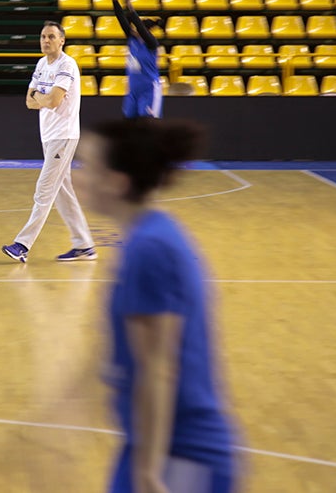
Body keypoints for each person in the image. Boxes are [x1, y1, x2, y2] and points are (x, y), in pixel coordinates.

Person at [75, 118, 236, 493]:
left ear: (117, 182)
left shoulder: (150, 249)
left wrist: (150, 474)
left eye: (88, 168)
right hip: (147, 444)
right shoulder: (144, 238)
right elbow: (130, 346)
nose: (78, 177)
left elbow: (159, 368)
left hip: (181, 455)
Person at [1, 21, 96, 263]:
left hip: (63, 135)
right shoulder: (42, 64)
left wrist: (40, 97)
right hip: (49, 136)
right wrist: (43, 98)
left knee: (44, 190)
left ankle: (23, 244)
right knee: (63, 193)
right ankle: (84, 245)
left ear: (62, 40)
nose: (46, 40)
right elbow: (28, 101)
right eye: (43, 36)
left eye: (51, 37)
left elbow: (52, 101)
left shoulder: (67, 65)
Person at [111, 0, 162, 119]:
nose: (133, 30)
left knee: (148, 124)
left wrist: (129, 4)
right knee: (129, 123)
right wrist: (115, 0)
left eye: (136, 29)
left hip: (149, 89)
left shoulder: (152, 43)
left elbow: (139, 25)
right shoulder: (132, 40)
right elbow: (121, 20)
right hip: (133, 90)